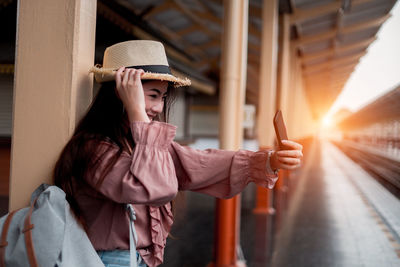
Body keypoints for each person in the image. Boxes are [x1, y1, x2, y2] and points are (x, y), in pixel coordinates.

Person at [53, 40, 303, 267]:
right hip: (107, 260)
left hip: (136, 259)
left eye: (162, 97)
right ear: (123, 92)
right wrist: (137, 111)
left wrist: (269, 160)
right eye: (151, 96)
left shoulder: (143, 144)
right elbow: (154, 188)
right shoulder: (92, 148)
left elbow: (200, 162)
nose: (157, 107)